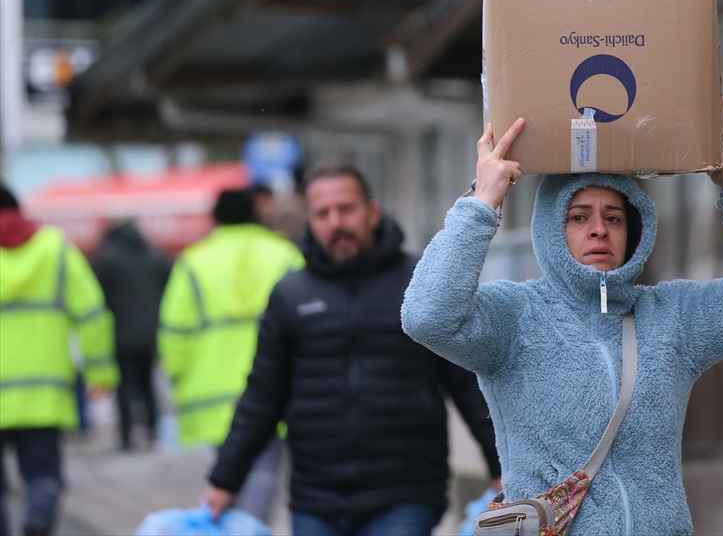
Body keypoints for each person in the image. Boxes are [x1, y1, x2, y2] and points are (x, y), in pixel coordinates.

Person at [402, 99, 723, 534]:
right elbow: (427, 316)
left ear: (633, 231)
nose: (598, 229)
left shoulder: (672, 317)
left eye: (613, 218)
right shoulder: (514, 317)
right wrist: (481, 204)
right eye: (579, 217)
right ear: (550, 230)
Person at [203, 164, 502, 536]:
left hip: (406, 495)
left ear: (372, 212)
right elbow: (263, 397)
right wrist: (224, 482)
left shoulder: (420, 285)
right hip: (315, 499)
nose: (335, 222)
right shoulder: (290, 295)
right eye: (322, 214)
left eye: (346, 209)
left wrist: (502, 467)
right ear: (309, 221)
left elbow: (468, 386)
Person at [159, 189, 304, 522]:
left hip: (210, 397)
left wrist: (177, 374)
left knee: (225, 482)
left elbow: (174, 331)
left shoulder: (193, 262)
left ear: (216, 218)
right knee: (263, 481)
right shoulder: (284, 255)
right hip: (276, 393)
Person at [0, 183, 118, 536]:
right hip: (44, 393)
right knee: (43, 475)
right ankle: (38, 516)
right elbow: (93, 315)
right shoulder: (56, 249)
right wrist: (101, 373)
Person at [91, 220, 173, 451]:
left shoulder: (106, 260)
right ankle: (152, 430)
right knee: (148, 384)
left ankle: (126, 436)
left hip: (119, 334)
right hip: (150, 333)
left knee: (125, 387)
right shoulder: (156, 256)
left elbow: (95, 296)